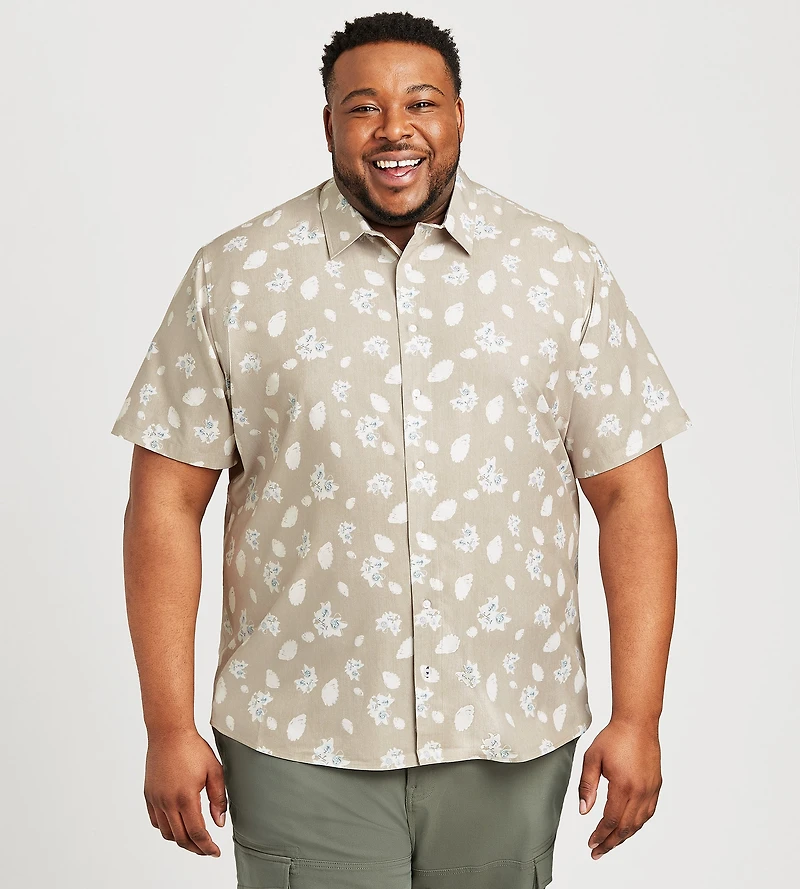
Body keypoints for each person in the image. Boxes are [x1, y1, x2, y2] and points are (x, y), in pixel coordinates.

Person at [110, 11, 692, 888]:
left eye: (421, 102)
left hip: (509, 729)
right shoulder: (235, 276)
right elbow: (165, 499)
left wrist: (638, 715)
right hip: (297, 735)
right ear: (328, 124)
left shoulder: (560, 271)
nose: (394, 129)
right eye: (363, 107)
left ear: (458, 114)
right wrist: (168, 725)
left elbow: (631, 496)